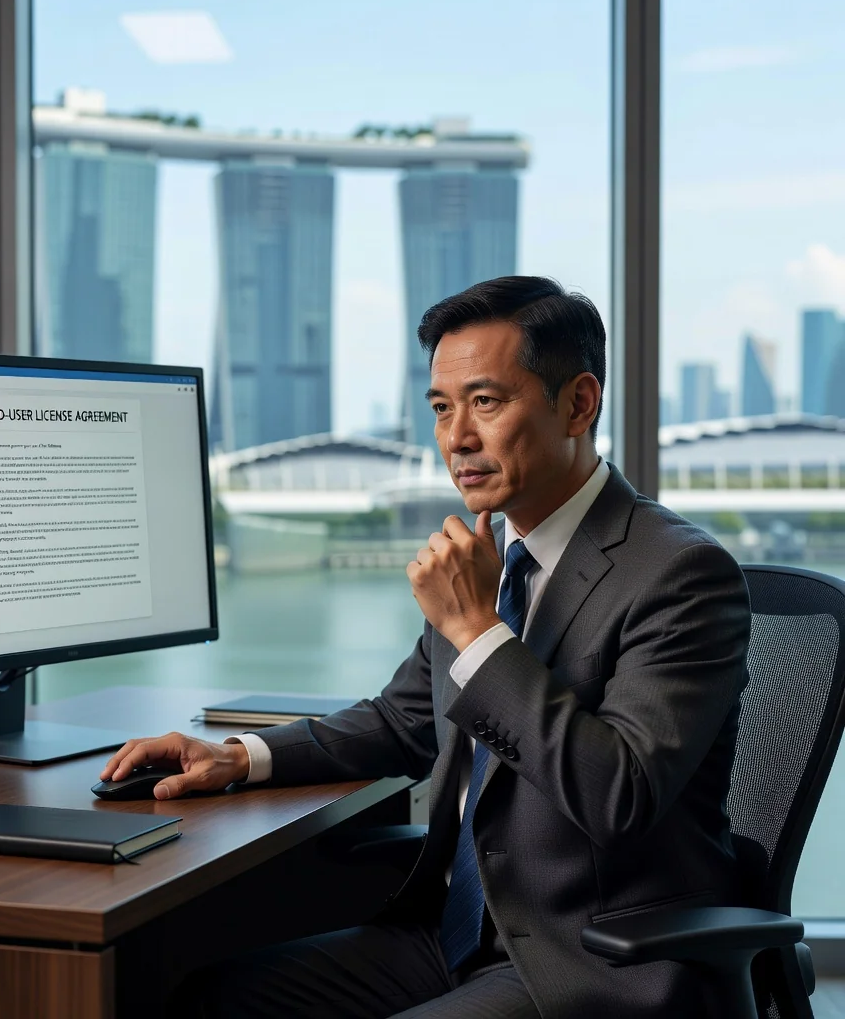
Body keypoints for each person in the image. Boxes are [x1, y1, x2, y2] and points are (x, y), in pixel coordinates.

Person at [101, 276, 750, 1018]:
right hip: (451, 939)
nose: (456, 438)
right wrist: (239, 756)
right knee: (207, 999)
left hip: (590, 961)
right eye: (442, 409)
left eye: (486, 402)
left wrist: (477, 632)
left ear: (579, 403)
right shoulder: (491, 559)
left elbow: (619, 795)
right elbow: (402, 721)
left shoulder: (679, 574)